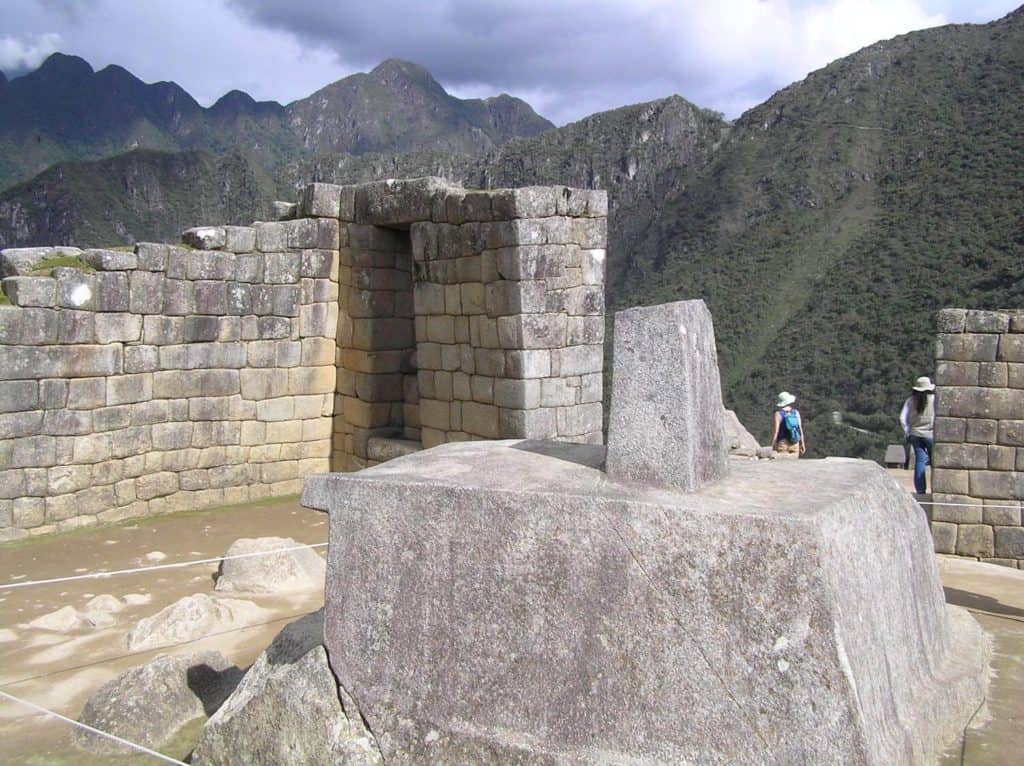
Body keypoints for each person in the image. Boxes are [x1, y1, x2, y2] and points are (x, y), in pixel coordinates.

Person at [900, 376, 935, 494]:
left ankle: (920, 490)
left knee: (920, 461)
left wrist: (907, 431)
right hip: (930, 434)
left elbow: (902, 418)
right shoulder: (934, 400)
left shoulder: (910, 400)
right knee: (934, 461)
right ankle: (935, 488)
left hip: (915, 434)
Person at [770, 391, 806, 457]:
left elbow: (776, 431)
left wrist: (772, 445)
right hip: (794, 442)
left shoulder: (778, 414)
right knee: (793, 465)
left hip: (782, 443)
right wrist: (802, 443)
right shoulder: (796, 412)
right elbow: (800, 429)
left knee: (782, 465)